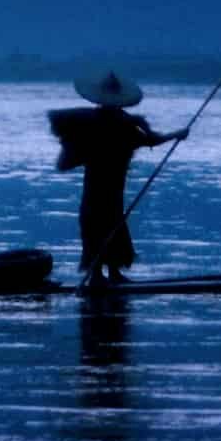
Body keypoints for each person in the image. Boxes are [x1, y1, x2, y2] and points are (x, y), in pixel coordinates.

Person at [48, 71, 188, 285]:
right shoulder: (112, 124)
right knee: (100, 223)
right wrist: (171, 133)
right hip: (102, 183)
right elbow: (151, 139)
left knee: (109, 223)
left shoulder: (119, 123)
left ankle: (111, 273)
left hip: (108, 184)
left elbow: (148, 140)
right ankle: (98, 275)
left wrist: (170, 133)